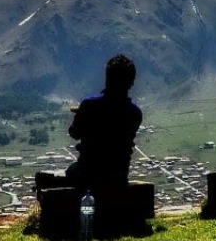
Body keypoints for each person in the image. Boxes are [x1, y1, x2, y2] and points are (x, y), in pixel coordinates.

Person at [36, 54, 143, 195]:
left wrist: (82, 115)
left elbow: (74, 133)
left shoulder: (89, 105)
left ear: (107, 79)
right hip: (118, 175)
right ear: (131, 82)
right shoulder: (135, 113)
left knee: (69, 172)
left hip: (86, 171)